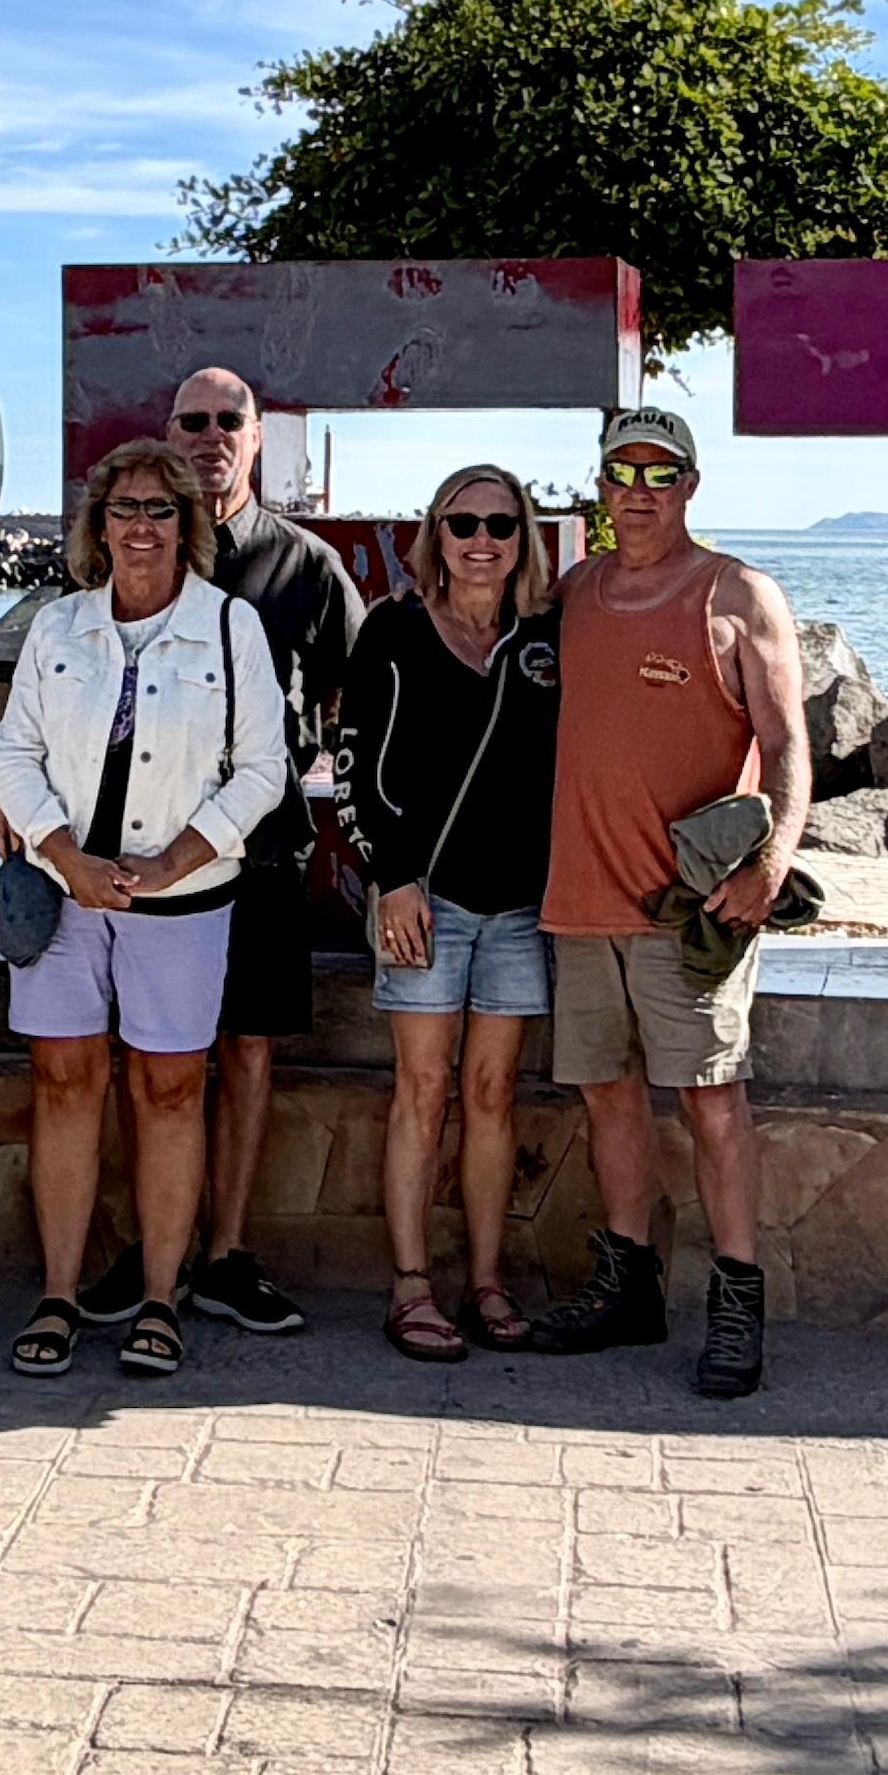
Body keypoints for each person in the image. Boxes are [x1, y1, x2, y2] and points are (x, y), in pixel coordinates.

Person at [0, 436, 286, 1383]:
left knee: (169, 1092)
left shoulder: (233, 626)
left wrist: (173, 861)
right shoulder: (57, 626)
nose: (143, 525)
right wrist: (65, 854)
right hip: (68, 895)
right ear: (97, 523)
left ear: (188, 525)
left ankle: (161, 1298)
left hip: (184, 899)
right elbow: (13, 751)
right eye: (126, 509)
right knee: (64, 1085)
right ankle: (59, 1293)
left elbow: (263, 770)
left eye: (162, 509)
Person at [533, 402, 810, 1399]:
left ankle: (736, 1306)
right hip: (576, 896)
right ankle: (626, 1289)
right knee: (607, 1095)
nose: (639, 492)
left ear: (689, 485)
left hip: (688, 905)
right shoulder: (572, 593)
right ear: (599, 488)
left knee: (710, 1099)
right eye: (622, 473)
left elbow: (785, 745)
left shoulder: (737, 592)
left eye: (660, 474)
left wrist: (771, 860)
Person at [99, 362, 358, 1340]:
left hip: (257, 857)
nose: (210, 435)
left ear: (256, 437)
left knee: (245, 1051)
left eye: (228, 421)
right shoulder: (125, 556)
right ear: (168, 432)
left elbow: (356, 700)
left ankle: (224, 1254)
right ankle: (146, 1244)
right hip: (137, 855)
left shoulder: (302, 566)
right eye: (191, 419)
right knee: (145, 1057)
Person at [341, 461, 563, 1359]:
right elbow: (352, 762)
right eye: (462, 523)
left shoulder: (546, 641)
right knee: (423, 1091)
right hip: (422, 902)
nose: (481, 541)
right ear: (435, 534)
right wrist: (389, 878)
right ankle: (410, 1284)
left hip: (516, 906)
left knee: (492, 1093)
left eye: (499, 525)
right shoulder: (392, 630)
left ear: (524, 539)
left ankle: (485, 1279)